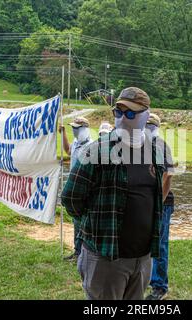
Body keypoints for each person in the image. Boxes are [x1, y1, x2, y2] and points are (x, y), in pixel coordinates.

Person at [62, 87, 168, 300]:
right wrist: (94, 226)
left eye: (129, 113)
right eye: (117, 112)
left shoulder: (153, 150)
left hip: (142, 258)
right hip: (106, 258)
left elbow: (155, 195)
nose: (122, 118)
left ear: (145, 116)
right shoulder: (96, 151)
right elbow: (71, 197)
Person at [145, 113, 175, 300]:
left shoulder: (161, 145)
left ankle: (160, 286)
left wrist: (159, 200)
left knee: (160, 244)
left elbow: (168, 175)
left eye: (150, 126)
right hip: (147, 202)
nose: (146, 129)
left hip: (162, 203)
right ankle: (147, 279)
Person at [59, 116, 93, 261]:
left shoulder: (91, 146)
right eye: (73, 128)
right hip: (74, 187)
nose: (74, 131)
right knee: (76, 221)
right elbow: (68, 151)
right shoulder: (76, 143)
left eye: (76, 128)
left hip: (85, 189)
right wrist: (63, 133)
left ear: (84, 129)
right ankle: (77, 251)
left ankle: (83, 253)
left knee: (82, 221)